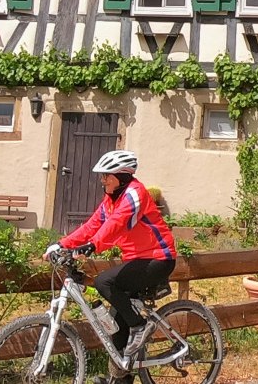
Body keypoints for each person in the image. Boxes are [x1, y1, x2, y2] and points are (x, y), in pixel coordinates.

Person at [44, 149, 176, 383]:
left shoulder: (135, 195)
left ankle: (140, 325)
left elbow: (115, 226)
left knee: (105, 281)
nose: (102, 180)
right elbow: (93, 225)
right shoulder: (110, 200)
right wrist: (61, 243)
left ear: (122, 176)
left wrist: (92, 247)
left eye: (107, 175)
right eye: (102, 175)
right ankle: (120, 379)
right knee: (117, 322)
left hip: (159, 258)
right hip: (136, 260)